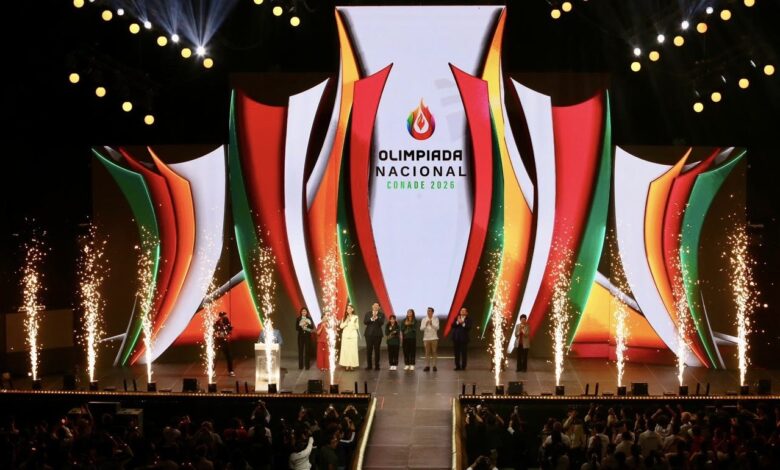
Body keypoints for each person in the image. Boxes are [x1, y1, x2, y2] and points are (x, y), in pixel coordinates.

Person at [363, 302, 385, 370]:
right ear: (372, 306)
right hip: (368, 334)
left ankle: (377, 366)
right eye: (374, 305)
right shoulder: (368, 313)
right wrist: (372, 318)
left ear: (379, 307)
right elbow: (365, 322)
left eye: (377, 305)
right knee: (369, 350)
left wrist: (377, 317)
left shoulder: (381, 314)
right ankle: (369, 366)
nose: (375, 306)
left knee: (377, 350)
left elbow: (381, 323)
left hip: (377, 335)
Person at [339, 305, 360, 371]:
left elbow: (357, 327)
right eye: (347, 308)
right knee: (346, 351)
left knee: (353, 351)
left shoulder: (355, 317)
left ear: (352, 309)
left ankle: (352, 365)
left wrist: (354, 323)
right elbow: (341, 326)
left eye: (350, 308)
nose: (348, 309)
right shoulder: (344, 317)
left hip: (353, 336)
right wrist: (346, 321)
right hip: (345, 336)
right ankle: (347, 365)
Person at [214, 311, 235, 376]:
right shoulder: (216, 323)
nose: (225, 317)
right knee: (215, 357)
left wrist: (230, 329)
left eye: (225, 315)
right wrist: (220, 333)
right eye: (224, 316)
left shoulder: (226, 321)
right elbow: (215, 333)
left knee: (229, 356)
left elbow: (228, 330)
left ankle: (231, 371)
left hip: (225, 341)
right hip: (218, 342)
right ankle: (212, 371)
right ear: (220, 317)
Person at [420, 307, 439, 372]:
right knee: (427, 353)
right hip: (426, 338)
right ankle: (427, 366)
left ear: (432, 312)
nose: (428, 312)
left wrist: (432, 324)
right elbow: (421, 328)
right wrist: (425, 324)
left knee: (434, 352)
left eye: (430, 311)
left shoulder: (436, 318)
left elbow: (437, 328)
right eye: (428, 311)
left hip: (434, 338)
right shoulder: (424, 319)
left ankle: (434, 366)